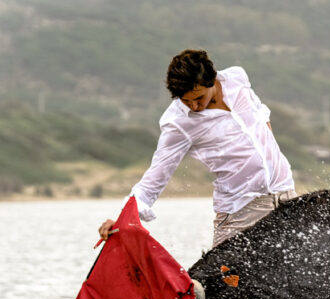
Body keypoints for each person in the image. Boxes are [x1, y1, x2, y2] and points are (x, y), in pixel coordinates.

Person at [98, 49, 296, 247]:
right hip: (241, 211)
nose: (193, 106)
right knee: (223, 277)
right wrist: (123, 219)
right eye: (186, 100)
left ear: (212, 81)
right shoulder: (178, 123)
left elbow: (261, 113)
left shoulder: (236, 79)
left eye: (198, 98)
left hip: (286, 196)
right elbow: (156, 175)